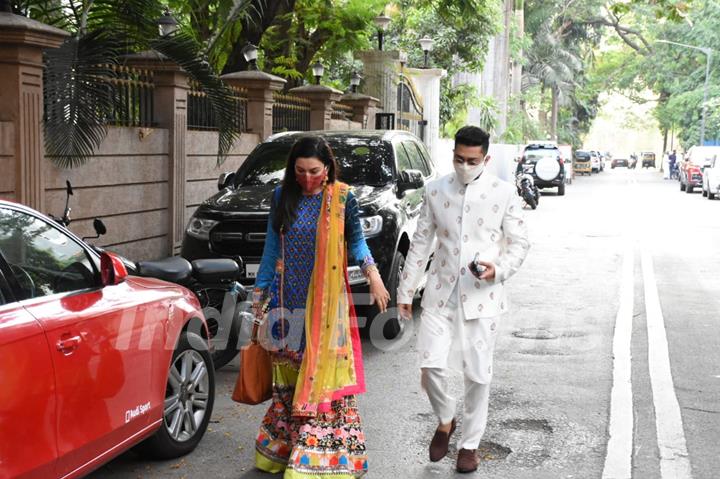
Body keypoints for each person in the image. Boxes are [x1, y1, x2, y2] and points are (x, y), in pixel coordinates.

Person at [250, 135, 390, 478]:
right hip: (288, 302)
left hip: (327, 310)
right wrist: (259, 296)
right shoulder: (283, 196)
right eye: (300, 171)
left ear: (327, 168)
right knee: (290, 379)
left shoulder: (343, 198)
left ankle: (312, 459)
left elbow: (356, 241)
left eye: (314, 171)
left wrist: (373, 274)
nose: (307, 178)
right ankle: (286, 450)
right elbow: (272, 249)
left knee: (320, 380)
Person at [396, 126, 530, 473]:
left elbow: (519, 243)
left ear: (485, 159)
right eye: (459, 159)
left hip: (482, 296)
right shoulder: (435, 190)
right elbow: (421, 244)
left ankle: (469, 445)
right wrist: (406, 291)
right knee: (430, 365)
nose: (464, 166)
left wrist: (497, 270)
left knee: (478, 375)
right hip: (439, 292)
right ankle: (445, 419)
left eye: (472, 161)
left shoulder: (504, 192)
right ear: (452, 155)